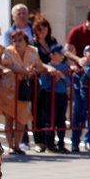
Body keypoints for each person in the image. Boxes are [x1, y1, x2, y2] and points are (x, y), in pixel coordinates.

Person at [0, 31, 40, 156]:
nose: (17, 43)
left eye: (20, 40)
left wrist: (33, 70)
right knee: (9, 117)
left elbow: (39, 66)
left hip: (24, 88)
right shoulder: (8, 51)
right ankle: (10, 146)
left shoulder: (33, 51)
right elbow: (8, 65)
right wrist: (24, 70)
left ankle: (17, 145)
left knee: (22, 118)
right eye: (14, 40)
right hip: (9, 88)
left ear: (25, 41)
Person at [32, 17, 62, 153]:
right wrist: (48, 68)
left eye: (44, 27)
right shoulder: (32, 44)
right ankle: (39, 141)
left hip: (53, 83)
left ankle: (51, 141)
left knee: (51, 112)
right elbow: (36, 61)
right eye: (39, 28)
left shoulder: (52, 42)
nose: (42, 31)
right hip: (39, 82)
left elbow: (63, 54)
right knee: (38, 111)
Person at [38, 44, 70, 152]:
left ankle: (61, 143)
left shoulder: (64, 67)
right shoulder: (47, 67)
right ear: (52, 55)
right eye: (59, 54)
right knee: (50, 120)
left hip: (62, 95)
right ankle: (50, 145)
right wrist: (53, 81)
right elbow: (43, 85)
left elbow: (68, 82)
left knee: (61, 120)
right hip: (51, 96)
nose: (62, 56)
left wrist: (62, 77)